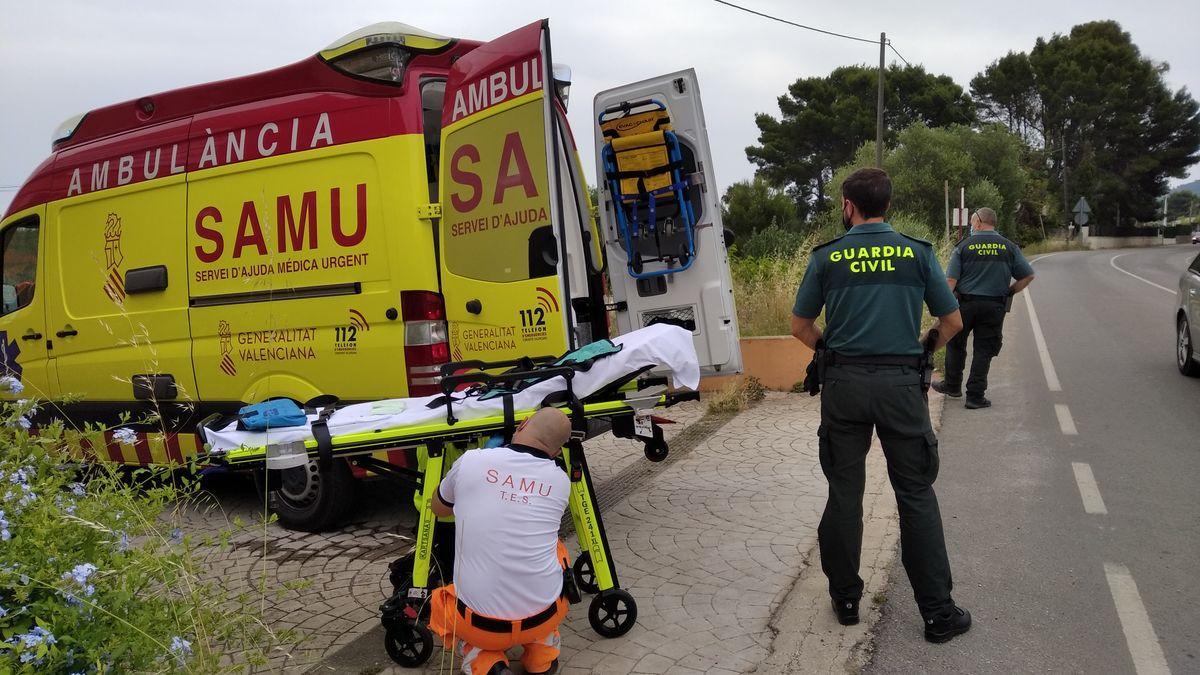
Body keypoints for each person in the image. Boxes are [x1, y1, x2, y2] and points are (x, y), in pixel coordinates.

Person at [791, 167, 972, 643]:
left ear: (849, 206)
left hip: (844, 387)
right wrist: (923, 348)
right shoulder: (917, 253)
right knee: (915, 494)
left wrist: (829, 352)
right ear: (887, 205)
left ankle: (846, 600)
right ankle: (938, 614)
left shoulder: (828, 257)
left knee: (845, 492)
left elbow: (799, 325)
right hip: (900, 388)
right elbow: (950, 321)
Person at [428, 407, 574, 675]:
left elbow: (439, 508)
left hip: (481, 626)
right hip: (543, 616)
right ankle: (542, 654)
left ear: (523, 424)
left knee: (442, 602)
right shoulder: (561, 481)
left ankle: (485, 661)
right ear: (555, 453)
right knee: (555, 546)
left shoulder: (471, 461)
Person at [933, 207, 1035, 409]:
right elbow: (1028, 275)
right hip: (994, 306)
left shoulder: (963, 247)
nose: (971, 227)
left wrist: (944, 308)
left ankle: (953, 385)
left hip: (965, 304)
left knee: (956, 344)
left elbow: (951, 280)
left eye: (972, 224)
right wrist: (1010, 291)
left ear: (978, 222)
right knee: (984, 350)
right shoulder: (1009, 247)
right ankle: (975, 396)